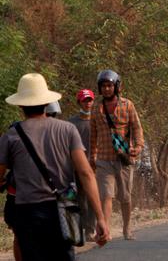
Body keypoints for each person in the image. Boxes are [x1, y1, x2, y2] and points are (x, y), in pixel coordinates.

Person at [0, 73, 110, 260]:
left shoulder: (11, 136)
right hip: (64, 210)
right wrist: (100, 218)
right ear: (46, 102)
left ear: (20, 105)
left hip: (28, 213)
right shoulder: (67, 130)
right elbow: (86, 173)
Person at [89, 69, 144, 241]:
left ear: (116, 87)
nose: (106, 89)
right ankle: (106, 230)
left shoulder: (128, 105)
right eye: (104, 86)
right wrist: (92, 156)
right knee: (106, 195)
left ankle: (127, 227)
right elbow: (93, 134)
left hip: (124, 159)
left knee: (125, 197)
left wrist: (138, 147)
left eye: (110, 85)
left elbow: (137, 128)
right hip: (104, 159)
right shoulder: (96, 108)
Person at [66, 89, 96, 242]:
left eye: (90, 100)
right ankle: (81, 230)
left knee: (93, 198)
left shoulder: (99, 120)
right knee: (80, 199)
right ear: (79, 102)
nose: (88, 103)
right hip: (77, 167)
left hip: (95, 166)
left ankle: (90, 230)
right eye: (85, 100)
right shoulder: (71, 123)